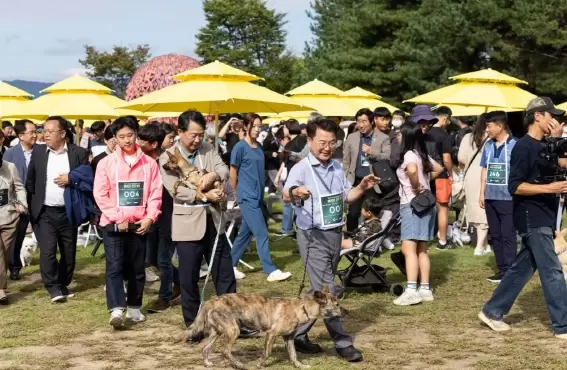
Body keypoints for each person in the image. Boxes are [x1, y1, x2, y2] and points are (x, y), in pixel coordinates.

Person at [283, 117, 379, 362]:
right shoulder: (301, 168)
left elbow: (348, 196)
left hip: (335, 234)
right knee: (328, 290)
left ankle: (297, 333)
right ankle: (343, 342)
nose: (327, 147)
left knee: (317, 288)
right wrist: (297, 192)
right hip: (312, 236)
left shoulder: (336, 167)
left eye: (332, 143)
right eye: (322, 142)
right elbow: (285, 193)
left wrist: (363, 186)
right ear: (310, 140)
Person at [160, 110, 258, 341]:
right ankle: (194, 325)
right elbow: (176, 190)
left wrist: (212, 175)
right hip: (188, 224)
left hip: (215, 222)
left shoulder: (208, 149)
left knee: (225, 275)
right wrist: (204, 195)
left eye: (201, 135)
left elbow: (223, 169)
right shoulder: (166, 158)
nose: (197, 140)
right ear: (180, 132)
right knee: (188, 278)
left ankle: (234, 322)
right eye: (192, 135)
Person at [479, 97, 567, 339]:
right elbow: (514, 186)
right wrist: (552, 189)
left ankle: (492, 311)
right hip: (531, 216)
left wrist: (558, 141)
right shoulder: (523, 147)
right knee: (551, 271)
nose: (554, 120)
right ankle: (563, 326)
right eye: (551, 115)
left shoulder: (545, 146)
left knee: (522, 268)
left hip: (546, 215)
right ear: (538, 116)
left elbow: (563, 163)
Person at [93, 116, 163, 328]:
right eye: (121, 136)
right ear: (114, 138)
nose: (126, 140)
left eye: (130, 135)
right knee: (114, 266)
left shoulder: (149, 164)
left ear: (136, 134)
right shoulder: (106, 163)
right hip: (114, 224)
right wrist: (118, 217)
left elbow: (155, 193)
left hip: (139, 223)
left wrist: (151, 217)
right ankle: (116, 309)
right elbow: (101, 194)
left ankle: (134, 307)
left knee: (137, 268)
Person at [26, 116, 89, 302]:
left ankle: (63, 283)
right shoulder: (38, 152)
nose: (45, 135)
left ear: (62, 133)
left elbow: (87, 179)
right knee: (47, 251)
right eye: (43, 131)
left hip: (68, 211)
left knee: (68, 253)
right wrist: (32, 206)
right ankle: (52, 287)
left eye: (50, 131)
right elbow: (31, 181)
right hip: (44, 212)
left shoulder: (79, 153)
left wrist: (71, 179)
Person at [230, 113, 292, 282]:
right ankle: (270, 269)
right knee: (262, 232)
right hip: (246, 196)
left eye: (259, 126)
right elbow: (233, 172)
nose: (257, 129)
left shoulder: (258, 147)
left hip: (257, 196)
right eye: (254, 126)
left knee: (245, 233)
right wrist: (236, 193)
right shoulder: (239, 147)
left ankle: (230, 265)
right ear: (246, 126)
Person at [394, 121, 443, 306]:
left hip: (412, 205)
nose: (397, 136)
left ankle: (412, 289)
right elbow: (439, 169)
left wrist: (416, 185)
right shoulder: (421, 154)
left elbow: (412, 170)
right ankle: (424, 288)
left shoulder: (408, 155)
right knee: (422, 248)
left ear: (406, 136)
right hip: (427, 205)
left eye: (399, 133)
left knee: (409, 249)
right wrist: (426, 182)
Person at [136, 123, 181, 313]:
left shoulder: (168, 162)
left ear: (153, 144)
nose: (137, 143)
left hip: (168, 217)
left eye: (142, 141)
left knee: (163, 259)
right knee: (151, 258)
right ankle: (182, 282)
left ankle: (164, 298)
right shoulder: (142, 161)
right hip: (150, 216)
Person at [480, 111, 517, 283]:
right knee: (495, 235)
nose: (487, 130)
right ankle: (501, 269)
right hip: (490, 197)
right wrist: (482, 192)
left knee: (507, 234)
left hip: (508, 198)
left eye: (489, 126)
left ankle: (510, 269)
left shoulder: (515, 145)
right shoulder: (488, 145)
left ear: (499, 126)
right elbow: (484, 169)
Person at [343, 108, 391, 232]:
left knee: (371, 214)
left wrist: (372, 152)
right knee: (353, 214)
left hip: (372, 182)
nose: (361, 125)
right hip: (355, 182)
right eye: (358, 122)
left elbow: (387, 157)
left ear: (371, 122)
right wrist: (345, 178)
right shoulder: (352, 137)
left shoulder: (383, 138)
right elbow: (346, 160)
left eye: (364, 121)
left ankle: (370, 241)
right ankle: (351, 239)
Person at [4, 119, 37, 281]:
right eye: (31, 132)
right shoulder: (10, 154)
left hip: (39, 200)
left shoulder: (42, 150)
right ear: (21, 135)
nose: (35, 135)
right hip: (18, 203)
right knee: (17, 236)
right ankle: (14, 266)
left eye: (35, 131)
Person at [421, 105, 454, 250]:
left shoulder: (426, 133)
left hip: (426, 174)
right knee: (443, 209)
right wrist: (451, 173)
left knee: (425, 207)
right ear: (446, 118)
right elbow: (446, 159)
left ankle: (424, 238)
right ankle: (442, 240)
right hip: (441, 175)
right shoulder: (444, 135)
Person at [457, 114, 490, 257]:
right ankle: (479, 246)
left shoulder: (468, 137)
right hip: (487, 175)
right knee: (483, 209)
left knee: (475, 208)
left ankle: (485, 243)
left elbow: (460, 158)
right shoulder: (491, 139)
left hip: (470, 176)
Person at [0, 149, 27, 304]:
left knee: (4, 251)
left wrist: (21, 204)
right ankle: (1, 289)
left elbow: (19, 187)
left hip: (9, 216)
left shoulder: (10, 167)